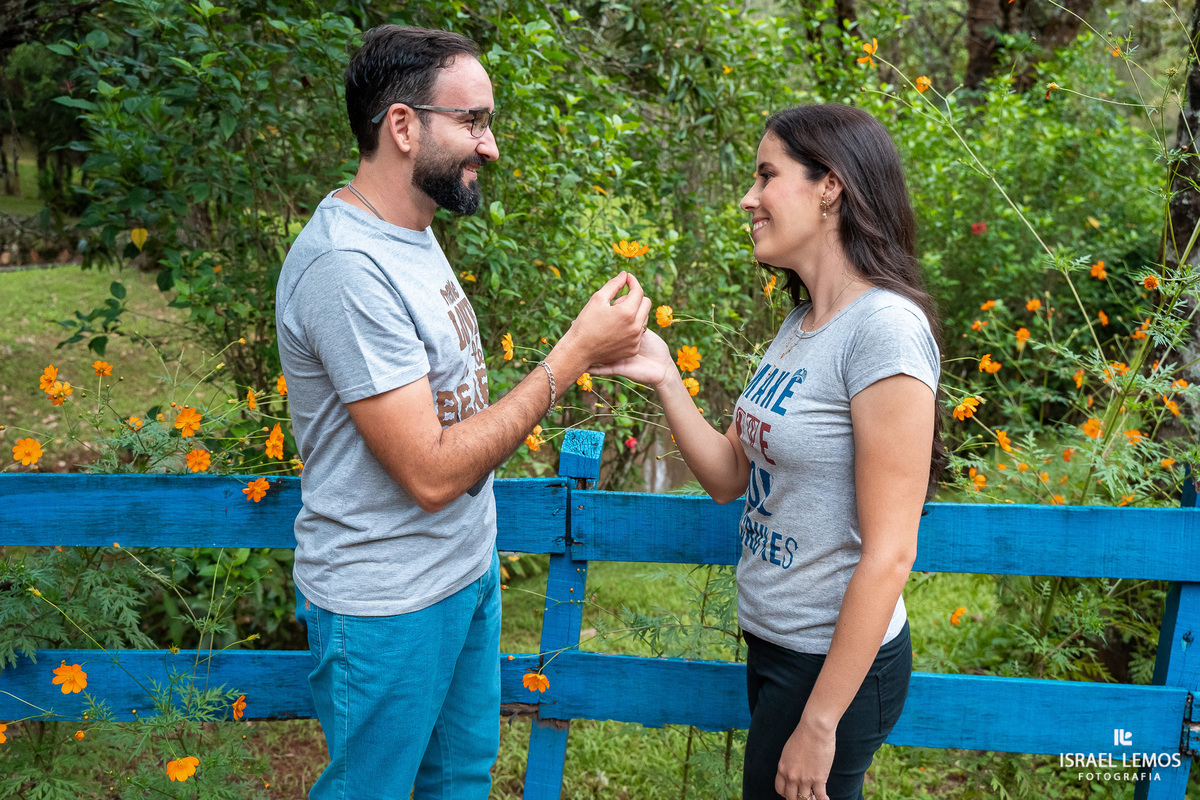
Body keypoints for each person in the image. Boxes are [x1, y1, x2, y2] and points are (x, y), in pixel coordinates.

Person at [275, 25, 650, 800]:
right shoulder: (349, 267)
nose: (491, 146)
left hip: (461, 573)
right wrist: (571, 357)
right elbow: (432, 473)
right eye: (473, 121)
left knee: (459, 783)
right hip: (387, 605)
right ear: (403, 127)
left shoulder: (410, 235)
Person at [591, 103, 944, 800]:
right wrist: (665, 375)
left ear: (831, 187)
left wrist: (819, 722)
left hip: (832, 668)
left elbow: (891, 552)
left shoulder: (885, 332)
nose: (748, 198)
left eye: (766, 175)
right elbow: (730, 477)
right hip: (778, 648)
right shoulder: (802, 322)